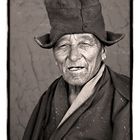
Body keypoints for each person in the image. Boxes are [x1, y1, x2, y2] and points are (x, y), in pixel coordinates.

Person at [23, 0, 130, 140]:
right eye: (63, 46)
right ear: (54, 55)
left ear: (103, 51)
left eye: (84, 44)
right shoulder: (49, 96)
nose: (73, 56)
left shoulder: (127, 99)